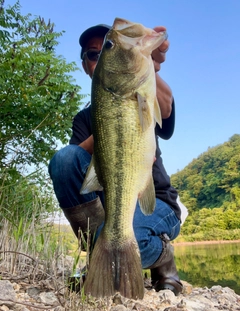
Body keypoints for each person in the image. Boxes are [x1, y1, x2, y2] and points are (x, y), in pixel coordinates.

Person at [49, 23, 185, 296]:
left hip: (156, 200)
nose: (98, 57)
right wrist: (110, 124)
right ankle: (100, 250)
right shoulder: (83, 119)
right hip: (112, 205)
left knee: (133, 241)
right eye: (92, 54)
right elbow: (74, 167)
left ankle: (164, 257)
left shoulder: (142, 91)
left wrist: (150, 64)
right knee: (64, 159)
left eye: (106, 48)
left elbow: (166, 106)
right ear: (87, 65)